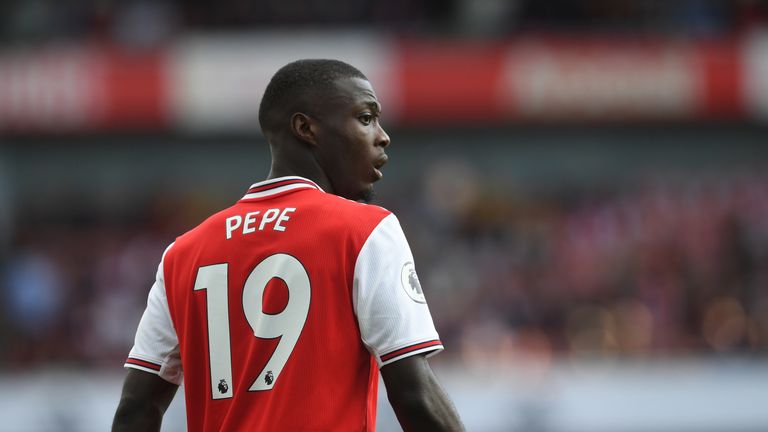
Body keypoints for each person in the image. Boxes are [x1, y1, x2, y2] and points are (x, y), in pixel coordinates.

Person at [112, 59, 465, 432]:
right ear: (305, 128)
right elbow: (415, 396)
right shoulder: (366, 230)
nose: (382, 136)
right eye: (366, 118)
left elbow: (136, 408)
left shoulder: (182, 255)